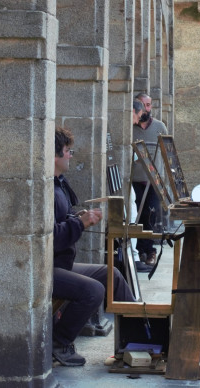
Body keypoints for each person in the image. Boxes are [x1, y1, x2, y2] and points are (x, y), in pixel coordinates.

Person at [53, 127, 135, 366]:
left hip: (63, 263)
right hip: (48, 268)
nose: (71, 155)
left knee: (112, 275)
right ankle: (59, 342)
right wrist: (81, 222)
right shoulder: (46, 187)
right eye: (67, 151)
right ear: (55, 156)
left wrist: (78, 217)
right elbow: (51, 236)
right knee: (94, 290)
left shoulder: (59, 184)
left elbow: (62, 220)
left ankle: (136, 336)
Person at [130, 93, 168, 268]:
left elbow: (167, 153)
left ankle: (150, 251)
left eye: (149, 105)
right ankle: (140, 251)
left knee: (150, 215)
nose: (147, 108)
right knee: (136, 215)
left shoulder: (160, 127)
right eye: (144, 104)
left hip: (154, 181)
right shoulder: (131, 127)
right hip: (135, 180)